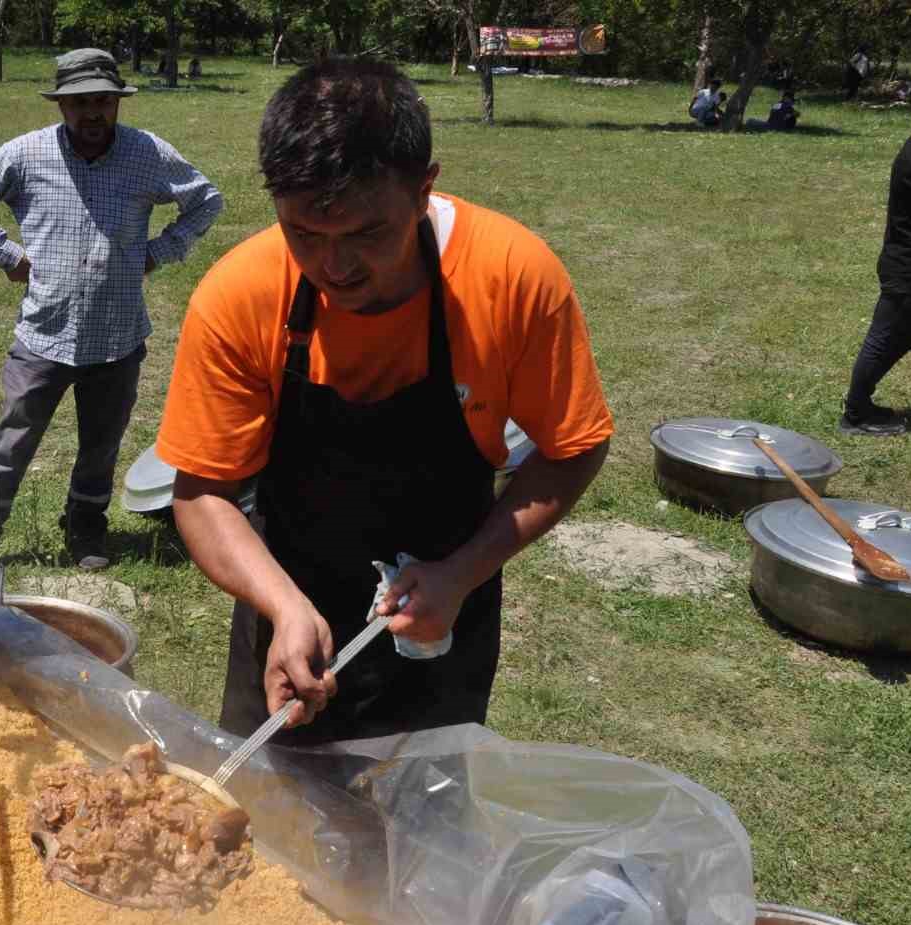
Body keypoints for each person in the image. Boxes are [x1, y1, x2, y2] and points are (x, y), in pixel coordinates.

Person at [156, 59, 612, 744]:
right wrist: (281, 606)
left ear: (424, 188)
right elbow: (202, 491)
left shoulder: (511, 279)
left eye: (367, 235)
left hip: (443, 621)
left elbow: (573, 447)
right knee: (264, 831)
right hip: (286, 609)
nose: (334, 268)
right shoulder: (241, 296)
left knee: (422, 835)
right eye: (305, 234)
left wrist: (462, 573)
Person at [0, 48, 223, 568]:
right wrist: (7, 255)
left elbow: (205, 200)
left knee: (101, 444)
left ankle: (85, 530)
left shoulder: (146, 154)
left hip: (117, 337)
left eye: (103, 101)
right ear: (60, 106)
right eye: (79, 103)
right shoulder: (27, 154)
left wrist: (160, 252)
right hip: (44, 335)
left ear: (117, 102)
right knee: (13, 441)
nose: (92, 113)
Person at [841, 74, 911, 435]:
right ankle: (855, 414)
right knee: (886, 335)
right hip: (907, 263)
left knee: (907, 335)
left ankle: (862, 403)